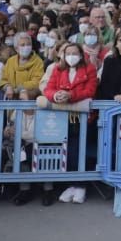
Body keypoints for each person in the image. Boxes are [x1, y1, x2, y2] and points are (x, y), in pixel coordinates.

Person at [38, 41, 98, 204]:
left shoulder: (90, 68)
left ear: (81, 54)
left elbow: (90, 91)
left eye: (75, 53)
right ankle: (72, 184)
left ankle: (81, 185)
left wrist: (70, 95)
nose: (72, 56)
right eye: (68, 53)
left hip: (84, 118)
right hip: (63, 117)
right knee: (69, 150)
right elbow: (48, 88)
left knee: (80, 150)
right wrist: (56, 96)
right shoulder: (58, 68)